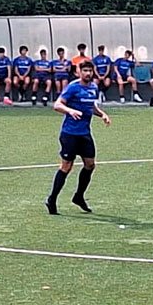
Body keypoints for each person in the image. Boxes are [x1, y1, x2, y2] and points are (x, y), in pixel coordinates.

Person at [47, 60, 111, 215]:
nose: (88, 73)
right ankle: (52, 199)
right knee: (66, 167)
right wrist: (70, 111)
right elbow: (57, 105)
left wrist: (102, 114)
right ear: (78, 72)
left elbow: (91, 106)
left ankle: (78, 196)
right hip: (70, 134)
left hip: (85, 134)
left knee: (90, 165)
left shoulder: (94, 87)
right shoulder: (73, 87)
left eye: (90, 70)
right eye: (85, 71)